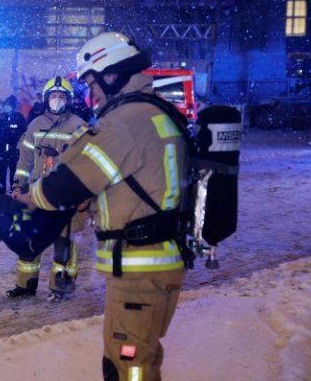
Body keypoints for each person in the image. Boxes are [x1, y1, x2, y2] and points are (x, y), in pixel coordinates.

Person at [15, 32, 189, 380]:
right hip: (153, 260)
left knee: (130, 364)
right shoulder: (156, 111)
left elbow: (68, 183)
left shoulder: (126, 121)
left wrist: (28, 199)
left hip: (140, 265)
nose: (90, 94)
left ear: (112, 75)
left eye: (92, 83)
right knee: (131, 358)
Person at [8, 77, 86, 302]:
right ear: (46, 99)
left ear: (69, 100)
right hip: (36, 194)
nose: (57, 100)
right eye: (53, 96)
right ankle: (25, 285)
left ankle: (60, 288)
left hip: (65, 195)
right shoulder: (35, 125)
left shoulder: (79, 126)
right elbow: (24, 161)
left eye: (62, 96)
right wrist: (17, 186)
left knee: (64, 243)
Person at [0, 95, 27, 194]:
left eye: (9, 105)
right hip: (0, 150)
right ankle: (1, 197)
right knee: (1, 175)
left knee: (15, 175)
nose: (7, 107)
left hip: (14, 149)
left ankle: (14, 195)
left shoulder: (18, 118)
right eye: (6, 105)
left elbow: (26, 132)